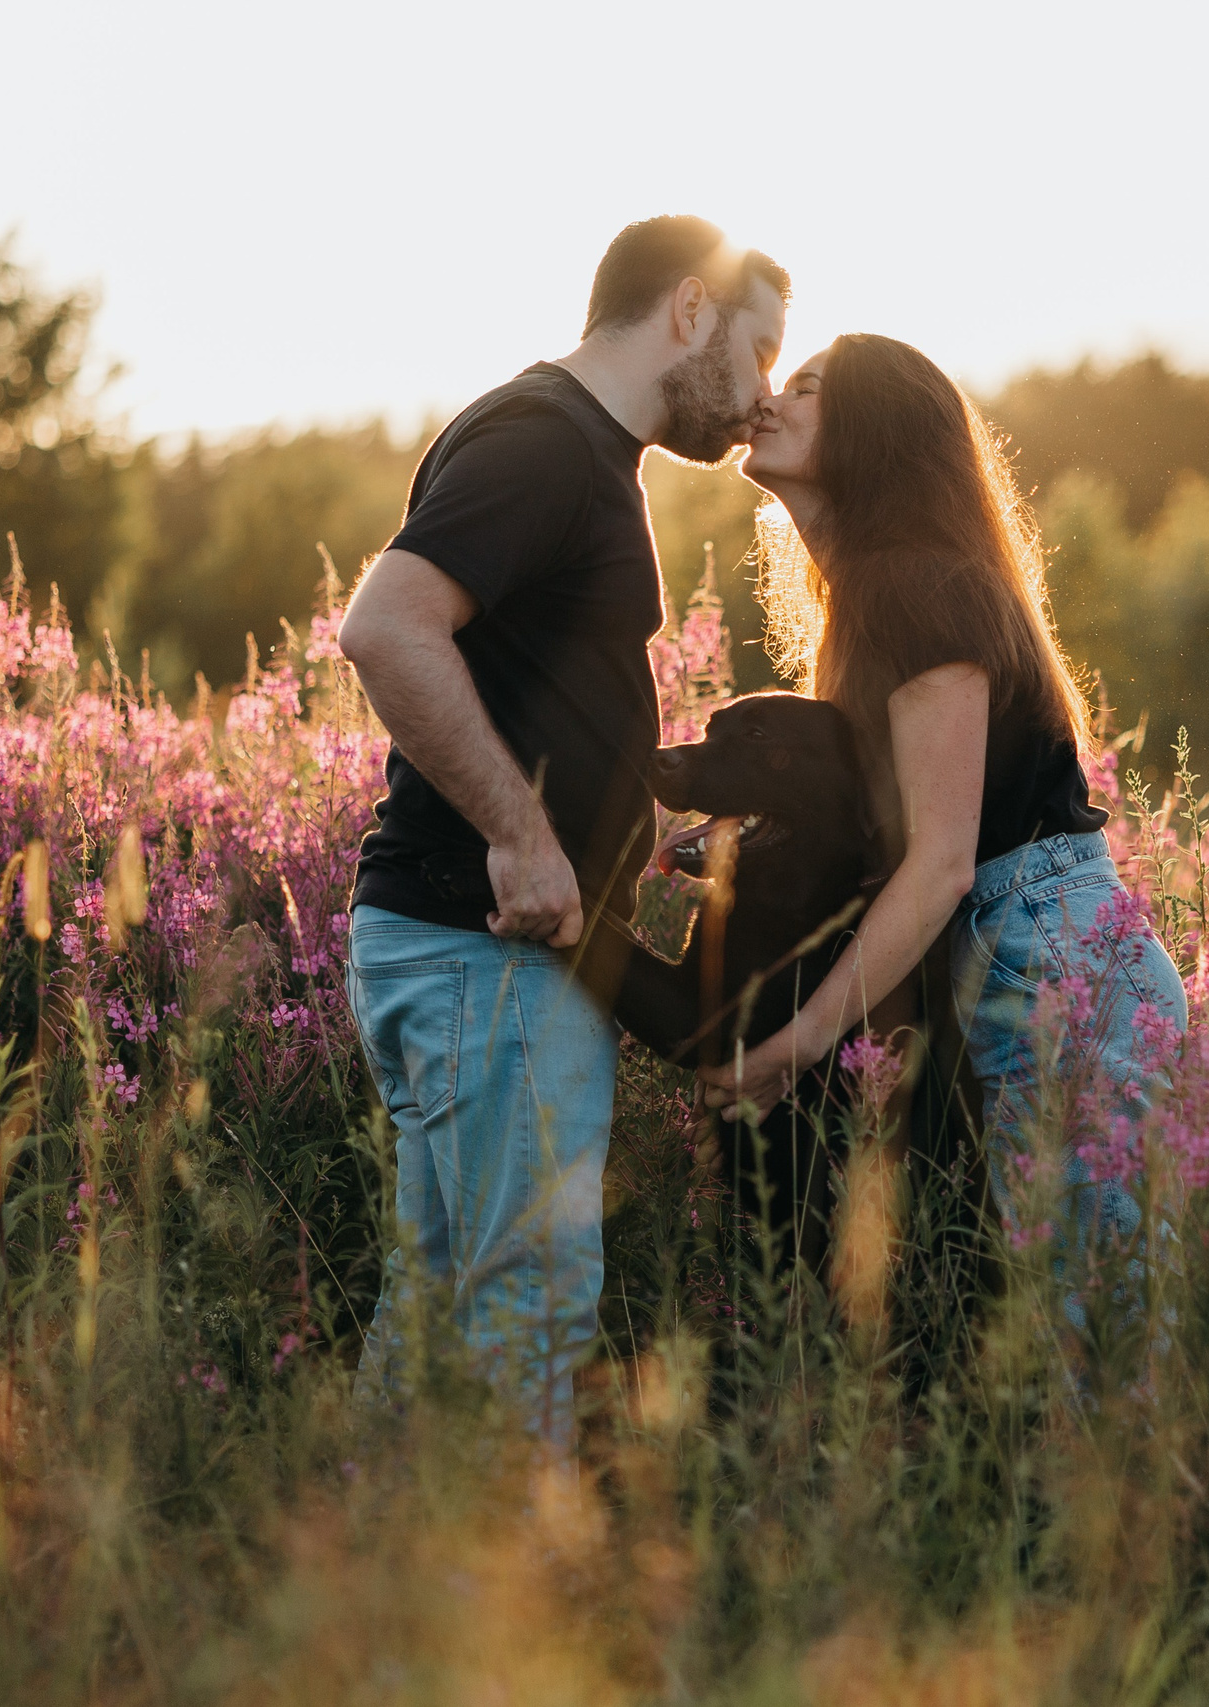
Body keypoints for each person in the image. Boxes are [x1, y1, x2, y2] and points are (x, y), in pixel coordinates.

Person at [339, 216, 788, 1431]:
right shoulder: (545, 443)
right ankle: (498, 1561)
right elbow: (384, 627)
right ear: (688, 310)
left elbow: (518, 671)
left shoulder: (574, 447)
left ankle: (361, 1554)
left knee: (434, 1318)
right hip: (484, 955)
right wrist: (525, 837)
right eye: (757, 351)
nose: (762, 394)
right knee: (524, 1317)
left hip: (462, 952)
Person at [700, 333, 1189, 1314]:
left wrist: (803, 1040)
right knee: (1067, 1327)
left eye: (806, 387)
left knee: (1100, 1332)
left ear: (873, 431)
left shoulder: (914, 589)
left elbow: (940, 866)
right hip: (1021, 953)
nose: (768, 400)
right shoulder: (867, 601)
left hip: (1047, 958)